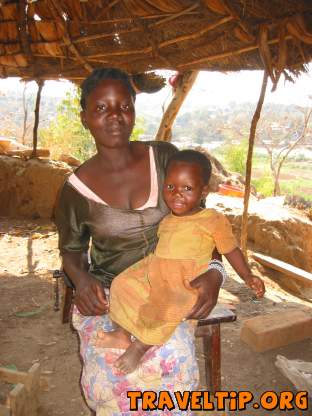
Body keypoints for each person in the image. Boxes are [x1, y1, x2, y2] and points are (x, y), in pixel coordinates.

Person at [55, 68, 231, 416]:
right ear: (85, 117)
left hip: (172, 290)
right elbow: (71, 252)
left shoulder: (165, 158)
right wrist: (83, 280)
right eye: (102, 108)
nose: (115, 116)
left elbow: (205, 226)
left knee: (171, 369)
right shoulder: (75, 189)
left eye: (124, 106)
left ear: (134, 111)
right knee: (107, 384)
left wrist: (214, 273)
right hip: (110, 296)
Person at [96, 150, 265, 374]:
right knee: (122, 284)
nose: (177, 194)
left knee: (171, 305)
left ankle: (140, 346)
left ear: (204, 190)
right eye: (171, 187)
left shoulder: (212, 219)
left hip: (186, 280)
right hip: (156, 270)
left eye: (187, 188)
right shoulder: (166, 219)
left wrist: (247, 275)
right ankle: (122, 332)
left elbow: (230, 249)